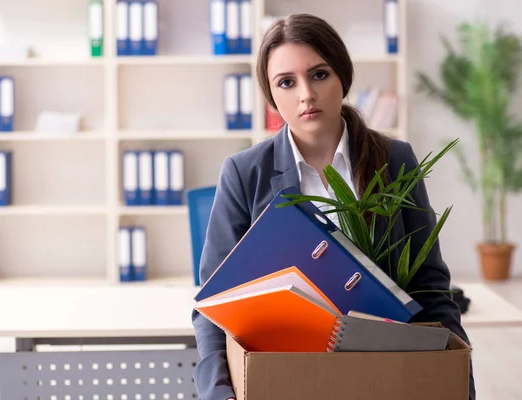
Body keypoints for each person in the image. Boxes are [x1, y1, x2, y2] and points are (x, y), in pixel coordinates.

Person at [191, 13, 476, 400]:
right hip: (284, 378)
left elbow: (430, 289)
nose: (305, 94)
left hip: (384, 376)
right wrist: (219, 393)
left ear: (342, 75)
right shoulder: (244, 173)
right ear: (271, 95)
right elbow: (212, 307)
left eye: (319, 74)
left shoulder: (394, 159)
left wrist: (458, 384)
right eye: (286, 82)